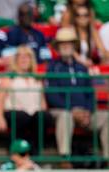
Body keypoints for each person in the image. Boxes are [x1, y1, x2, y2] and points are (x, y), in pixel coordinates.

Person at [46, 27, 109, 164]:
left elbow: (90, 92)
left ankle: (107, 157)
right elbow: (52, 96)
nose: (66, 46)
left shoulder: (82, 67)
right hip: (63, 110)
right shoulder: (53, 67)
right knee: (65, 116)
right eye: (62, 43)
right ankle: (65, 158)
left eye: (69, 43)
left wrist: (88, 110)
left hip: (85, 112)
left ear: (74, 46)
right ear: (57, 47)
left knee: (107, 117)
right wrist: (72, 110)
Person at [0, 45, 50, 154]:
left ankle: (34, 153)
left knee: (43, 117)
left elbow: (42, 102)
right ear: (16, 60)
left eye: (27, 57)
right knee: (21, 117)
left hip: (33, 113)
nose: (24, 59)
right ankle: (15, 153)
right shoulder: (8, 78)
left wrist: (43, 111)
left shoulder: (37, 80)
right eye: (21, 57)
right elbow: (0, 101)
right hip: (14, 113)